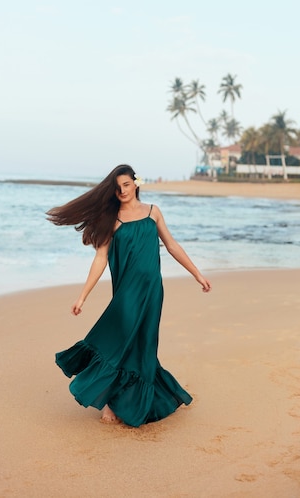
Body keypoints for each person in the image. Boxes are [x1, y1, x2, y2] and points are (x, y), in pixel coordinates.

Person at [47, 164, 211, 427]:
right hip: (126, 293)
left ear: (136, 183)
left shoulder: (153, 212)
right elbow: (100, 259)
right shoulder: (111, 220)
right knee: (119, 342)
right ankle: (110, 403)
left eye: (126, 184)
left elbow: (171, 245)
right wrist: (82, 297)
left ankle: (139, 402)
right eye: (117, 187)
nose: (122, 190)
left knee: (145, 344)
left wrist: (197, 274)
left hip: (153, 291)